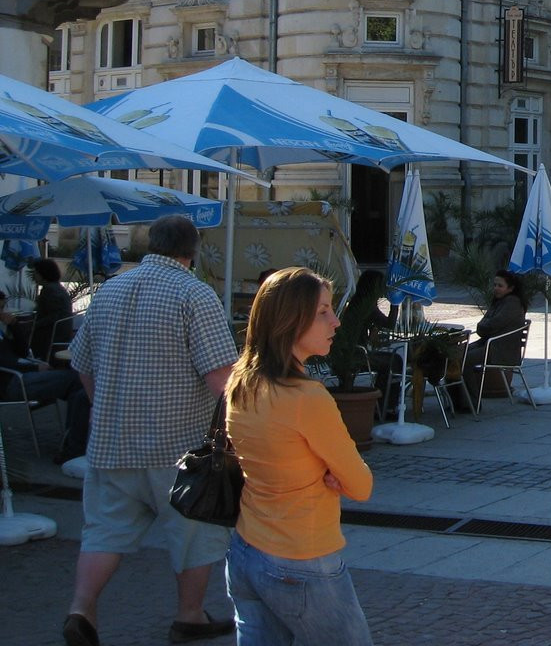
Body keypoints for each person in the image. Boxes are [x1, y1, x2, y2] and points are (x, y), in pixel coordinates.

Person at [65, 213, 239, 646]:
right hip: (178, 446)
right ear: (192, 251)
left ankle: (81, 609)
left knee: (104, 531)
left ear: (149, 245)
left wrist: (103, 406)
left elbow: (82, 365)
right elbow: (221, 378)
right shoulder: (194, 294)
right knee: (194, 533)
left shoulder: (109, 291)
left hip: (111, 441)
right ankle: (190, 615)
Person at [224, 267, 373, 646]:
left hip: (246, 548)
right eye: (323, 311)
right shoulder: (307, 398)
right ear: (290, 321)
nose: (336, 321)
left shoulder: (241, 382)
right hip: (301, 556)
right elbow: (360, 485)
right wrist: (332, 473)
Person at [459, 270, 527, 412]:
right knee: (455, 355)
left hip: (500, 350)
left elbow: (493, 323)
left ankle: (472, 403)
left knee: (465, 360)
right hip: (489, 344)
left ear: (510, 288)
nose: (496, 288)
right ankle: (459, 401)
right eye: (495, 285)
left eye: (500, 285)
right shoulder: (498, 302)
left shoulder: (512, 303)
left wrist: (484, 328)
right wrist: (484, 327)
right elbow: (484, 324)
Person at [29, 256, 73, 361]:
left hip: (53, 334)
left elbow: (54, 316)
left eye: (36, 273)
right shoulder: (56, 287)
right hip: (62, 331)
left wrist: (34, 324)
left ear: (43, 274)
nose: (33, 276)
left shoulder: (50, 290)